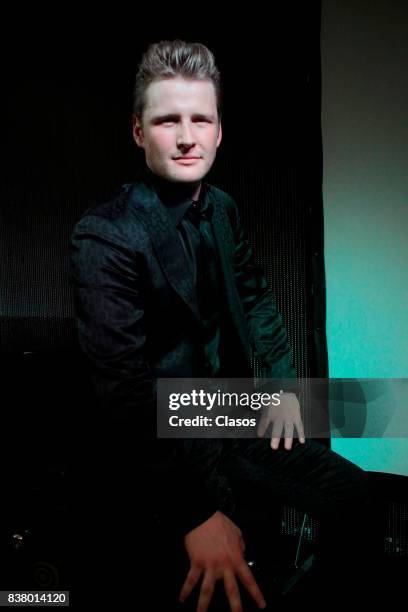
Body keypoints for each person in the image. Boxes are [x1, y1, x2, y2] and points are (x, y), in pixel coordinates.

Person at [69, 40, 389, 609]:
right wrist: (195, 514)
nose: (187, 137)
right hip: (166, 428)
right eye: (168, 120)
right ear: (139, 132)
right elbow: (123, 395)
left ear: (219, 131)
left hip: (225, 406)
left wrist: (287, 387)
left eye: (201, 119)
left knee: (359, 498)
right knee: (221, 578)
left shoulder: (222, 207)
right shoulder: (106, 235)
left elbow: (257, 294)